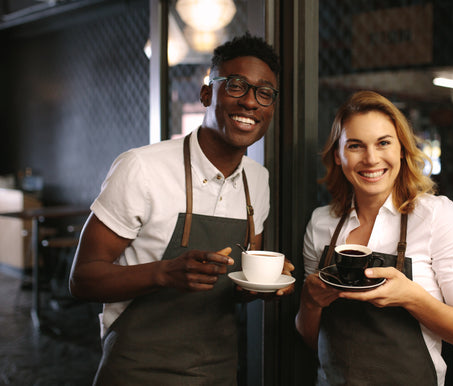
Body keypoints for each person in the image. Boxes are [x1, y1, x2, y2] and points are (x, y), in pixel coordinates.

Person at [69, 33, 294, 385]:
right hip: (136, 371)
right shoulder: (141, 168)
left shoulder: (258, 179)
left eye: (264, 93)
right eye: (236, 86)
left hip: (217, 371)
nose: (251, 102)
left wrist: (259, 286)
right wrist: (164, 274)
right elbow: (82, 279)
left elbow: (234, 286)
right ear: (207, 94)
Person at [295, 91, 453, 385]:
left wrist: (413, 299)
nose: (371, 159)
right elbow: (314, 339)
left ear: (401, 148)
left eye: (383, 143)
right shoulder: (321, 223)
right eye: (355, 146)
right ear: (337, 155)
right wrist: (310, 304)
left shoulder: (437, 216)